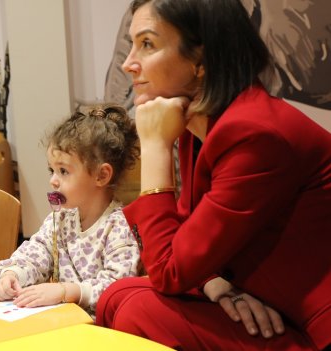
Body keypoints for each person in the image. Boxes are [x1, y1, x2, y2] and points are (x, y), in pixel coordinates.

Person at [95, 1, 331, 350]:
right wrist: (216, 284)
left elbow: (168, 269)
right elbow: (185, 242)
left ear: (201, 60)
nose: (129, 63)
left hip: (314, 330)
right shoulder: (203, 125)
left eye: (147, 44)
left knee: (133, 308)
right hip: (269, 307)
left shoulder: (255, 134)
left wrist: (156, 146)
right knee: (118, 297)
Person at [0, 104, 141, 318]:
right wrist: (13, 274)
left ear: (101, 176)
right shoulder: (60, 219)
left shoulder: (119, 226)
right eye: (52, 170)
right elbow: (36, 253)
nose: (53, 181)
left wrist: (66, 291)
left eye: (63, 171)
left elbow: (119, 287)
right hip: (62, 323)